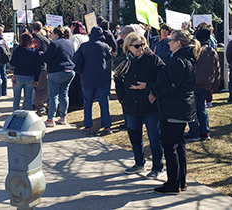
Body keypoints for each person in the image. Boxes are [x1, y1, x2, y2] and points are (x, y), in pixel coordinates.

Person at [131, 29, 196, 194]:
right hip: (182, 108)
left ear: (178, 43)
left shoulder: (179, 61)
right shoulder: (187, 59)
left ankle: (173, 183)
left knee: (169, 146)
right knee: (179, 144)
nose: (169, 42)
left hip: (174, 109)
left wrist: (148, 86)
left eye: (172, 40)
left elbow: (169, 87)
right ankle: (181, 181)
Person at [115, 32, 165, 178]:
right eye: (136, 46)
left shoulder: (154, 60)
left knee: (154, 137)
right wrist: (122, 98)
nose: (140, 48)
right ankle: (139, 163)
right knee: (135, 136)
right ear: (128, 47)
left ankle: (158, 167)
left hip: (150, 106)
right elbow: (117, 80)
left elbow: (162, 80)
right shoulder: (124, 62)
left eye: (142, 44)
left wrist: (150, 89)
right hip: (131, 105)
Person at [73, 26, 114, 135]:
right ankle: (107, 127)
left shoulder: (84, 46)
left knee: (87, 103)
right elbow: (110, 58)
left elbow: (75, 59)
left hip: (87, 78)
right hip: (102, 79)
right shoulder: (105, 46)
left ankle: (87, 126)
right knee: (103, 102)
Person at [187, 28, 219, 142]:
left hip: (194, 83)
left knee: (192, 109)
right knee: (201, 107)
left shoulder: (194, 50)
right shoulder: (212, 51)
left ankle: (194, 132)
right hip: (206, 83)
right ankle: (205, 132)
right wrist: (215, 84)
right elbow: (217, 68)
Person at [41, 26, 75, 128]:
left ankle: (51, 119)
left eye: (52, 34)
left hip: (56, 71)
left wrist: (41, 54)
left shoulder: (54, 44)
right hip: (69, 71)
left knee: (53, 96)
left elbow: (47, 58)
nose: (51, 36)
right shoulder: (69, 43)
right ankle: (63, 117)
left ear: (56, 34)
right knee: (64, 94)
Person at [9, 32, 42, 111]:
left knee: (16, 98)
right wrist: (36, 79)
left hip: (18, 75)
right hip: (30, 76)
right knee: (28, 98)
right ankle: (27, 114)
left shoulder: (17, 50)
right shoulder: (35, 52)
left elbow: (12, 63)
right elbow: (37, 66)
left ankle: (16, 113)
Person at [31, 21, 50, 116]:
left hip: (29, 68)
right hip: (42, 67)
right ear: (41, 28)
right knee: (41, 90)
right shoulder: (45, 40)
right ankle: (40, 109)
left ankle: (26, 108)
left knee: (28, 89)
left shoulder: (27, 38)